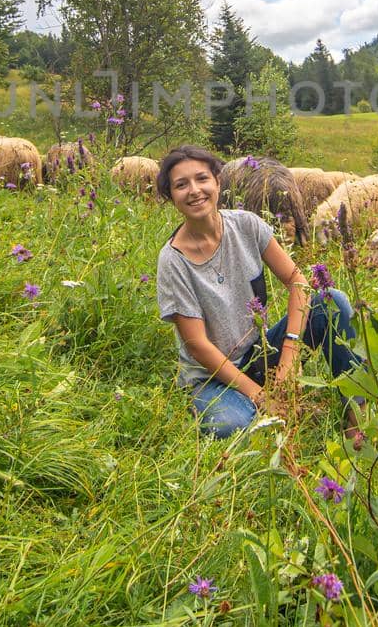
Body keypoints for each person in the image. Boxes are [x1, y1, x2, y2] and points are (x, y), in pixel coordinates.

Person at [154, 144, 365, 441]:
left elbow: (298, 281)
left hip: (260, 353)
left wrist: (289, 358)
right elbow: (198, 345)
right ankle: (245, 409)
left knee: (333, 303)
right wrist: (258, 395)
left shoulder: (246, 225)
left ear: (217, 181)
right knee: (231, 425)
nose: (194, 190)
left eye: (202, 179)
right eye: (181, 184)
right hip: (212, 376)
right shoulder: (173, 262)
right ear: (171, 197)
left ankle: (357, 421)